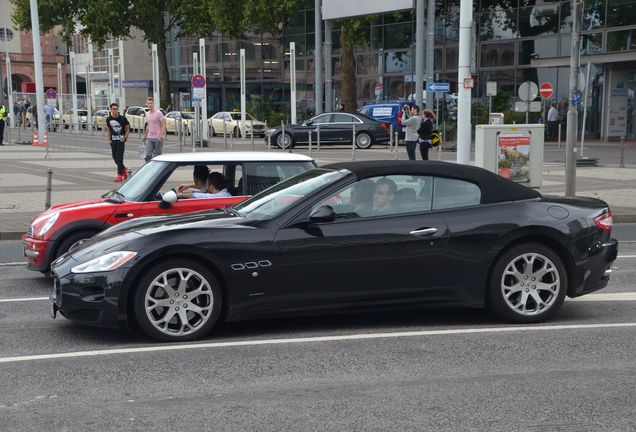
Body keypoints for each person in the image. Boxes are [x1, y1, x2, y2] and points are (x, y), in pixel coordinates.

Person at [106, 102, 131, 182]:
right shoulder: (108, 119)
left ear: (118, 110)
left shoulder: (122, 119)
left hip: (121, 140)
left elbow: (127, 129)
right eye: (113, 109)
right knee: (114, 157)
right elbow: (109, 130)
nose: (115, 111)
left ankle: (119, 174)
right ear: (110, 110)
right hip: (113, 141)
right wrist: (109, 139)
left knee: (119, 157)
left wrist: (125, 138)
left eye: (116, 109)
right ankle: (123, 169)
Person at [142, 97, 165, 162]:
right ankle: (149, 168)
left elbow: (163, 125)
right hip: (150, 137)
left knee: (157, 156)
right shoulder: (147, 113)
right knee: (148, 155)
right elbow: (148, 125)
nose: (150, 105)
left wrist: (160, 136)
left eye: (151, 103)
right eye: (148, 103)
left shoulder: (159, 113)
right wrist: (145, 136)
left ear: (153, 104)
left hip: (158, 137)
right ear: (146, 104)